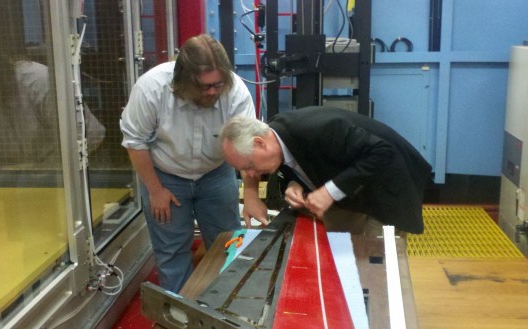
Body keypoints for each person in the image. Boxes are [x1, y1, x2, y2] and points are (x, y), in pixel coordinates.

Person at [120, 34, 261, 292]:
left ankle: (230, 309)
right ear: (183, 80)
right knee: (171, 252)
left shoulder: (235, 91)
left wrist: (250, 193)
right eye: (204, 86)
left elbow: (248, 144)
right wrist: (155, 191)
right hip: (166, 176)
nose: (212, 92)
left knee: (229, 244)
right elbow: (135, 142)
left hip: (216, 174)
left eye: (217, 85)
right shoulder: (151, 88)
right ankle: (182, 314)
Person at [220, 106, 432, 234]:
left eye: (248, 166)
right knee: (343, 256)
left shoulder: (318, 129)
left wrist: (328, 192)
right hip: (351, 192)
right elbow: (295, 163)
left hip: (386, 190)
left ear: (259, 143)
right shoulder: (276, 137)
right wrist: (293, 184)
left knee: (376, 268)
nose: (249, 175)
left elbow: (383, 153)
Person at [0, 40, 105, 169]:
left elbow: (90, 135)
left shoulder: (41, 83)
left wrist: (45, 170)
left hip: (80, 170)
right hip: (28, 179)